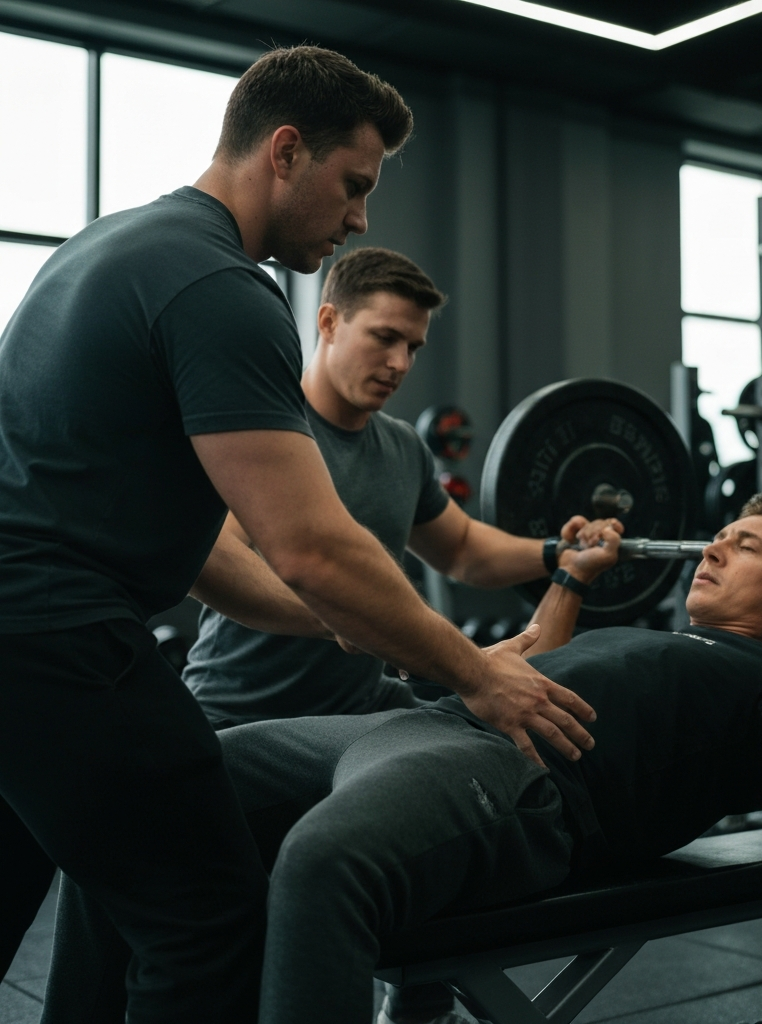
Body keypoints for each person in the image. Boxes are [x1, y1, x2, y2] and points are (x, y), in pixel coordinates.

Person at [0, 46, 596, 1023]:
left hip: (25, 638)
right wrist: (480, 673)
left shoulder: (109, 246)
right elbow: (311, 546)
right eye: (353, 184)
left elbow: (204, 555)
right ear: (285, 151)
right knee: (208, 918)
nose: (361, 216)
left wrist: (347, 624)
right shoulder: (220, 287)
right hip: (56, 636)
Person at [215, 495, 762, 1024]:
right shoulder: (654, 637)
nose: (712, 553)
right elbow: (525, 680)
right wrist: (571, 578)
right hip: (419, 724)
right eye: (716, 541)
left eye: (742, 547)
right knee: (197, 776)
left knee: (323, 863)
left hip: (512, 779)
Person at [184, 245, 611, 728]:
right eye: (384, 338)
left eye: (412, 346)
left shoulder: (403, 447)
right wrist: (344, 614)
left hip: (362, 712)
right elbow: (216, 552)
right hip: (242, 714)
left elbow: (464, 550)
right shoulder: (270, 431)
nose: (400, 363)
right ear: (328, 322)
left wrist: (558, 552)